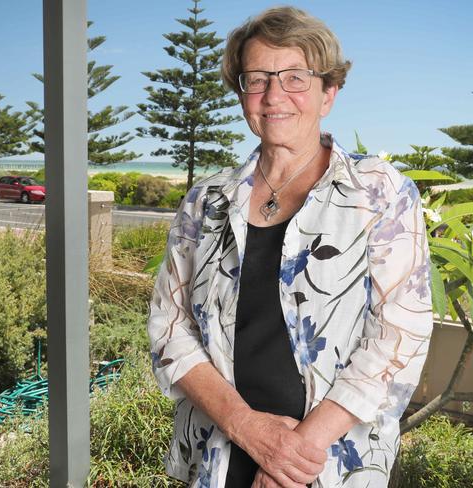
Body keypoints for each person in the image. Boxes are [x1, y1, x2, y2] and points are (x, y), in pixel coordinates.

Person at [147, 6, 433, 488]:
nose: (274, 95)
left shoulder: (379, 192)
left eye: (295, 78)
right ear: (242, 94)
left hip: (326, 465)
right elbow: (168, 326)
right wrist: (247, 427)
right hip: (219, 455)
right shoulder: (207, 200)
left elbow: (399, 334)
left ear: (329, 93)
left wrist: (295, 455)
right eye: (256, 79)